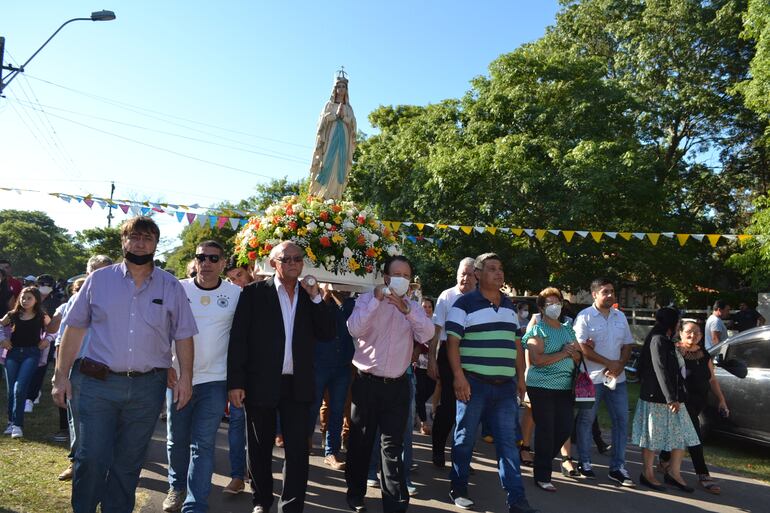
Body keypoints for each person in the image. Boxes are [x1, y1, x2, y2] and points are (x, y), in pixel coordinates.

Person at [51, 216, 198, 513]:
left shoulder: (171, 286)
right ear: (124, 241)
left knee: (128, 462)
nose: (140, 243)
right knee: (91, 456)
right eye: (134, 237)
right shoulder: (98, 280)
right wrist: (60, 376)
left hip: (147, 388)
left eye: (147, 238)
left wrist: (186, 378)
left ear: (156, 244)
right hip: (96, 384)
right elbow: (74, 329)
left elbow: (183, 335)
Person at [227, 241, 335, 513]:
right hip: (260, 382)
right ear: (273, 263)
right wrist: (236, 383)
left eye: (298, 259)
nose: (293, 263)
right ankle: (261, 501)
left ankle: (292, 506)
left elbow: (327, 333)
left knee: (297, 451)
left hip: (298, 384)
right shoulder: (253, 293)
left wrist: (317, 297)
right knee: (259, 448)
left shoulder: (310, 296)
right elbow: (238, 340)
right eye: (286, 259)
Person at [445, 253, 535, 513]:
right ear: (478, 274)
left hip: (505, 387)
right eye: (492, 269)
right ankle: (458, 488)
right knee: (464, 439)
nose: (499, 273)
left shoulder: (509, 306)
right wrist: (459, 377)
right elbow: (452, 343)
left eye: (501, 268)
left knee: (508, 444)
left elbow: (516, 344)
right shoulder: (463, 304)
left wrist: (521, 378)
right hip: (473, 384)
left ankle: (517, 500)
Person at [344, 255, 434, 513]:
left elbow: (427, 334)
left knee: (392, 447)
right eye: (397, 275)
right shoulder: (366, 299)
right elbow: (354, 329)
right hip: (367, 384)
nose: (402, 280)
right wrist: (376, 301)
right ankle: (355, 493)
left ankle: (395, 504)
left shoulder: (413, 307)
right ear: (385, 277)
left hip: (398, 386)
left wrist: (407, 311)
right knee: (361, 442)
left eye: (406, 276)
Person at [163, 241, 241, 513]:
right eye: (201, 257)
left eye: (213, 258)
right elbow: (161, 328)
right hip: (178, 379)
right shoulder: (177, 288)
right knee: (176, 440)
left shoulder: (235, 294)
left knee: (203, 443)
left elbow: (243, 338)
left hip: (215, 381)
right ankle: (176, 488)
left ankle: (195, 503)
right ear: (195, 261)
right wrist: (166, 364)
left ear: (223, 263)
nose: (206, 263)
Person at [51, 255, 114, 481]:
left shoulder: (123, 301)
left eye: (104, 272)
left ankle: (105, 466)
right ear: (87, 274)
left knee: (109, 421)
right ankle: (76, 462)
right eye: (94, 272)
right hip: (79, 369)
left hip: (112, 371)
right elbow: (60, 340)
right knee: (77, 420)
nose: (98, 277)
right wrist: (59, 375)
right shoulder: (74, 301)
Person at [573, 278, 635, 486]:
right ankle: (584, 462)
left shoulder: (620, 316)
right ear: (594, 294)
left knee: (621, 421)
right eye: (605, 291)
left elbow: (628, 345)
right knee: (585, 420)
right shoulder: (584, 316)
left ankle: (617, 468)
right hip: (589, 380)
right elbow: (581, 347)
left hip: (618, 379)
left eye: (612, 291)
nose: (610, 295)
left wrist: (619, 365)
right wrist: (609, 363)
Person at [632, 307, 699, 493]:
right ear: (672, 322)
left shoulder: (668, 341)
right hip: (657, 398)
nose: (679, 325)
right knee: (652, 437)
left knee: (681, 434)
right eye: (678, 321)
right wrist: (671, 398)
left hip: (673, 398)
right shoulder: (658, 340)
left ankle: (674, 473)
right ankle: (647, 474)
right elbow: (660, 369)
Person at [521, 287, 580, 492]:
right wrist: (564, 353)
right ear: (541, 308)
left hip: (565, 387)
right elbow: (537, 360)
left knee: (564, 428)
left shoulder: (567, 329)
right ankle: (542, 475)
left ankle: (542, 460)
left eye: (558, 303)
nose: (555, 306)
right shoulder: (537, 330)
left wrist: (572, 354)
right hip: (541, 387)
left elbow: (579, 355)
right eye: (550, 304)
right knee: (546, 430)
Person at [658, 321, 728, 494]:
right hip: (681, 401)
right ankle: (703, 474)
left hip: (699, 402)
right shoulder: (674, 351)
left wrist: (721, 400)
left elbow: (712, 379)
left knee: (679, 433)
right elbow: (664, 376)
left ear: (701, 336)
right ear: (680, 333)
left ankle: (663, 459)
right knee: (694, 435)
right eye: (689, 331)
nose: (693, 335)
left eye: (697, 332)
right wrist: (670, 399)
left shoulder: (704, 353)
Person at [428, 257, 477, 468]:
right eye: (462, 274)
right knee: (448, 407)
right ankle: (438, 451)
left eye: (470, 274)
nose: (465, 278)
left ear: (477, 276)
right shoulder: (447, 296)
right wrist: (431, 359)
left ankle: (463, 458)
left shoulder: (483, 298)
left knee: (470, 411)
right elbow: (436, 331)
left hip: (474, 358)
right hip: (449, 354)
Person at [309, 286, 355, 471]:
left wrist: (337, 294)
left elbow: (349, 315)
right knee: (311, 407)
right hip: (319, 364)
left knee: (337, 410)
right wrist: (325, 295)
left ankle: (331, 452)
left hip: (342, 365)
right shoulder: (317, 299)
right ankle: (303, 444)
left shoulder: (352, 302)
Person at [1, 286, 52, 438]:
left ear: (36, 300)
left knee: (20, 388)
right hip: (13, 354)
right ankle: (11, 423)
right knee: (11, 391)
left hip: (31, 354)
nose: (25, 300)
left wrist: (47, 340)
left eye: (29, 298)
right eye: (23, 297)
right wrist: (3, 339)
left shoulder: (41, 316)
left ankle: (18, 425)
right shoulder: (12, 314)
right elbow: (0, 325)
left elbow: (55, 330)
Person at [308, 73, 357, 200]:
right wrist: (335, 116)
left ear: (346, 90)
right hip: (330, 136)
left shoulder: (349, 108)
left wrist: (344, 117)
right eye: (339, 86)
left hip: (344, 137)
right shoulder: (329, 105)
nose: (341, 89)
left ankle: (335, 195)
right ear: (335, 89)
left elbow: (353, 125)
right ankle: (321, 194)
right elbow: (322, 121)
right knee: (327, 161)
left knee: (340, 162)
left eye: (343, 86)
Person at [26, 273, 63, 414]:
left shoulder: (56, 301)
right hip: (29, 337)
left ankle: (31, 395)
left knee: (41, 367)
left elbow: (55, 323)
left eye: (48, 285)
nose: (45, 287)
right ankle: (30, 392)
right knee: (29, 367)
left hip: (48, 338)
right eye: (42, 284)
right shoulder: (28, 297)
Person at [415, 297, 437, 435]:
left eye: (429, 307)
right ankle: (423, 422)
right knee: (420, 393)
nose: (427, 309)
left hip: (432, 365)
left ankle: (417, 411)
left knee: (428, 392)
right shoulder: (417, 322)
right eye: (424, 306)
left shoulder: (437, 324)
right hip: (419, 365)